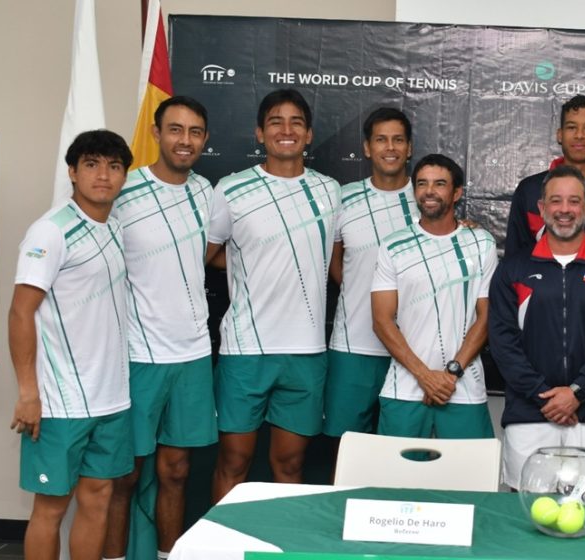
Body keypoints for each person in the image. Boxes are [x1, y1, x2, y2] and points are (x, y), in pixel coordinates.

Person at [101, 96, 226, 560]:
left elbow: (212, 255)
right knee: (126, 474)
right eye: (175, 129)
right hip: (137, 355)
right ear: (156, 133)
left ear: (205, 139)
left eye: (195, 132)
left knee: (175, 472)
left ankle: (165, 556)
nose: (185, 140)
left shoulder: (207, 192)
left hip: (192, 355)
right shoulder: (123, 191)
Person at [209, 89, 341, 502]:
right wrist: (257, 263)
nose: (286, 130)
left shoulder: (331, 190)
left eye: (296, 122)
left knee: (290, 465)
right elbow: (207, 255)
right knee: (233, 463)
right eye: (275, 122)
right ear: (259, 133)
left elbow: (339, 257)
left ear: (308, 134)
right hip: (246, 350)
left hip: (305, 351)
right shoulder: (231, 189)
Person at [10, 130, 133, 560]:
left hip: (112, 398)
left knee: (98, 498)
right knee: (51, 507)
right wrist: (29, 392)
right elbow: (20, 312)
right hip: (60, 402)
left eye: (114, 166)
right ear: (73, 172)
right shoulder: (50, 231)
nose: (104, 175)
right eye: (93, 164)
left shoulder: (115, 228)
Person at [489, 165, 585, 489]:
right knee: (525, 518)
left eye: (574, 202)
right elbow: (502, 342)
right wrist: (545, 397)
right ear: (542, 209)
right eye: (556, 202)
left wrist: (577, 393)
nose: (565, 211)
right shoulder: (513, 270)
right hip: (528, 416)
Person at [370, 154, 498, 439]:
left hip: (463, 388)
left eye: (440, 184)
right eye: (422, 184)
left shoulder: (481, 242)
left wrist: (450, 374)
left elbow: (486, 317)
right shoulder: (393, 246)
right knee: (396, 481)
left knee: (467, 481)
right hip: (404, 388)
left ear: (456, 193)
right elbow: (381, 321)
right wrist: (425, 377)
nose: (429, 191)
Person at [324, 108, 419, 443]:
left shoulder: (427, 199)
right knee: (347, 449)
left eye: (398, 140)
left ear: (409, 148)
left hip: (414, 351)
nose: (389, 147)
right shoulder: (343, 198)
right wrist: (358, 291)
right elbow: (334, 262)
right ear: (367, 147)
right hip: (353, 346)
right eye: (381, 139)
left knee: (403, 452)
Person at [504, 94, 585, 256]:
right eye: (571, 127)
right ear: (559, 134)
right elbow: (515, 260)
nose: (579, 135)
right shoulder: (530, 189)